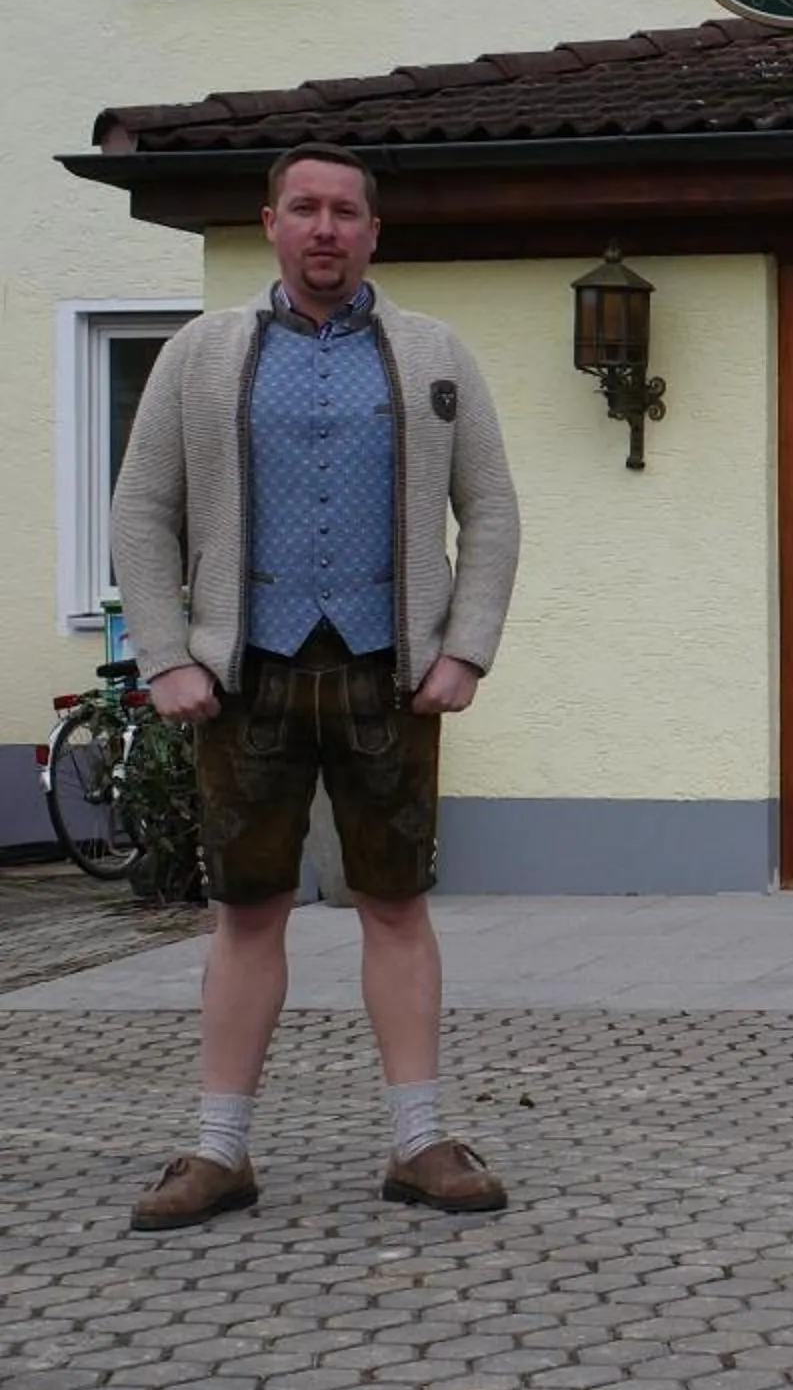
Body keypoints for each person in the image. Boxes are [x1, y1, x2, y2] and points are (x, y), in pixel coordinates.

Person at [109, 142, 523, 1231]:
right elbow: (143, 510)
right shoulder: (202, 354)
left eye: (346, 210)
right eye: (306, 208)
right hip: (245, 675)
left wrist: (465, 647)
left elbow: (491, 511)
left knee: (396, 902)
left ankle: (421, 1138)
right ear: (272, 222)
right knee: (248, 910)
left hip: (391, 673)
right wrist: (168, 653)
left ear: (373, 232)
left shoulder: (435, 352)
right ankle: (219, 1149)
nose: (326, 227)